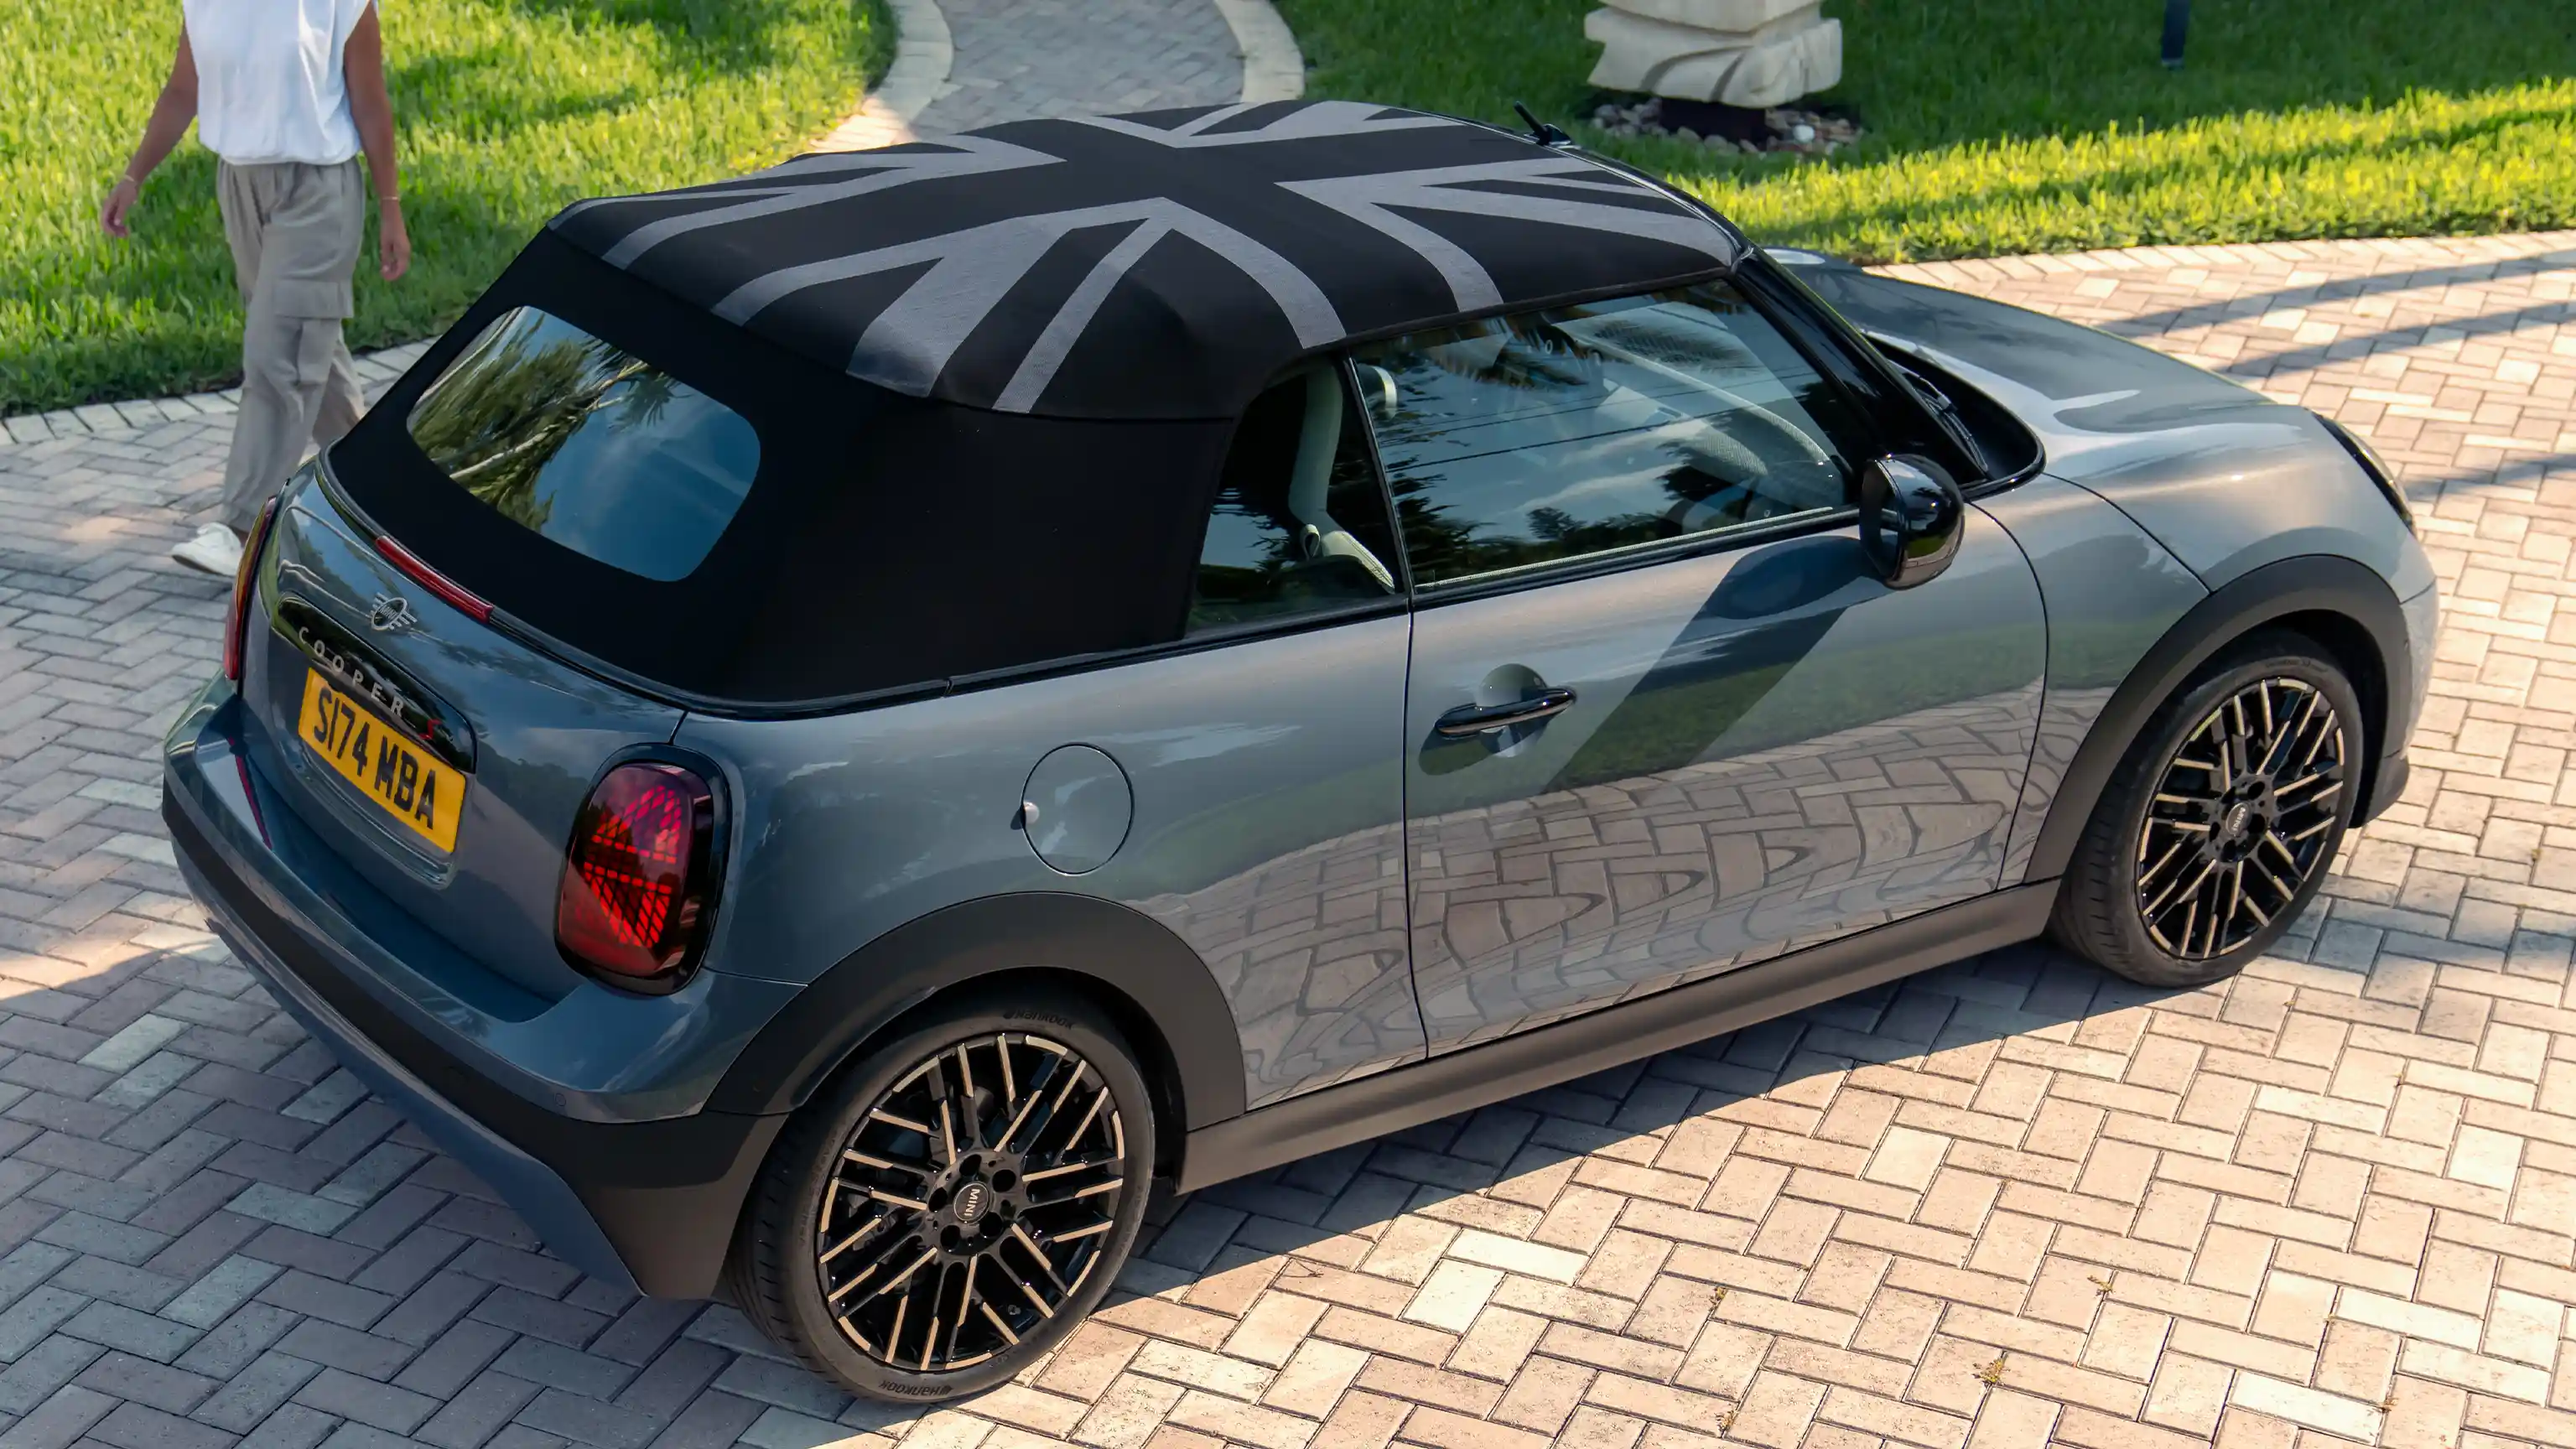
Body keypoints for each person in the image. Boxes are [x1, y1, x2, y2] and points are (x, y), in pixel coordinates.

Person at [101, 1, 410, 576]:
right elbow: (183, 90)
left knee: (281, 357)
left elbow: (370, 102)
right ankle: (385, 496)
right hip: (241, 186)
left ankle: (241, 526)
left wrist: (391, 210)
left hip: (319, 192)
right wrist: (132, 176)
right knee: (311, 352)